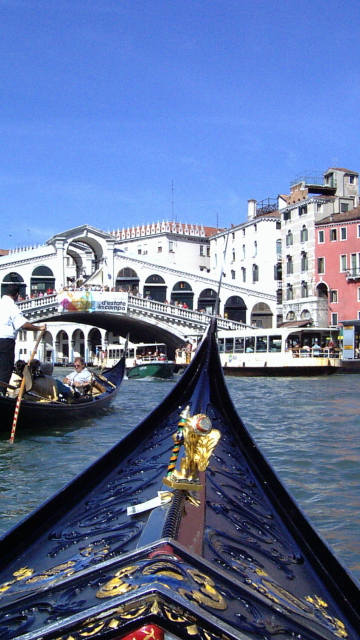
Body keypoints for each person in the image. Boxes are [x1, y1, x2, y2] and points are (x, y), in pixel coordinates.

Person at [0, 284, 46, 395]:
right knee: (5, 369)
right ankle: (1, 393)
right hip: (6, 342)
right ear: (16, 295)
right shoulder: (12, 307)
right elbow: (23, 325)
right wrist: (39, 328)